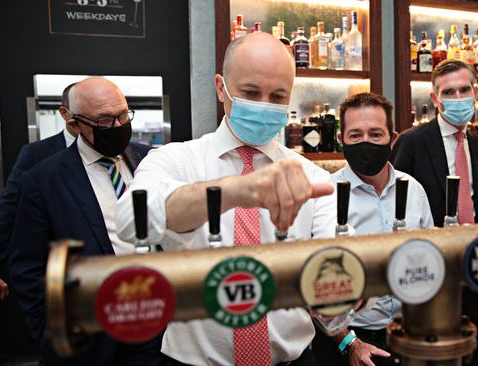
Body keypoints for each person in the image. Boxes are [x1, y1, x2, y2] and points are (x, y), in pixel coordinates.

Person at [116, 32, 336, 366]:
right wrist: (236, 190)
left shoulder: (314, 179)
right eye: (250, 92)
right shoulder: (176, 160)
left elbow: (327, 273)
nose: (263, 104)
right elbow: (132, 222)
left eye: (277, 96)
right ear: (221, 87)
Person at [9, 77, 161, 365]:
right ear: (74, 124)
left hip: (156, 324)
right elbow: (27, 266)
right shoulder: (44, 180)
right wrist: (49, 330)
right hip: (91, 336)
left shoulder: (149, 160)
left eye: (123, 115)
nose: (118, 127)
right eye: (104, 121)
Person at [312, 92, 433, 366]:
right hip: (347, 340)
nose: (365, 142)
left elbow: (430, 260)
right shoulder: (324, 195)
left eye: (375, 134)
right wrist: (349, 342)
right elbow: (312, 286)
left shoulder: (413, 189)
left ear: (393, 138)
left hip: (408, 334)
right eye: (355, 135)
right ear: (341, 140)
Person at [0, 82, 78, 301]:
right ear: (66, 113)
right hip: (59, 275)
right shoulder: (37, 155)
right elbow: (8, 211)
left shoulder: (126, 155)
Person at [391, 59, 478, 227]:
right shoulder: (411, 141)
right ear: (435, 99)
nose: (458, 98)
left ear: (475, 93)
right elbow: (396, 202)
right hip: (430, 244)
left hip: (475, 242)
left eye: (465, 90)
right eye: (449, 92)